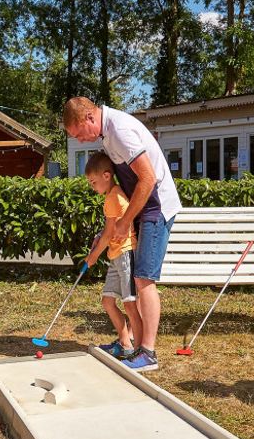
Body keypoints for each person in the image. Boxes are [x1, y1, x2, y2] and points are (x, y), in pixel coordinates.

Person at [64, 97, 182, 372]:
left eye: (79, 133)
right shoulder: (107, 135)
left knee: (143, 279)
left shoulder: (119, 130)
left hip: (156, 207)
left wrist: (125, 221)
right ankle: (131, 345)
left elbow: (148, 179)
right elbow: (123, 189)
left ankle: (148, 353)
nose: (81, 141)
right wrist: (111, 227)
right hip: (143, 208)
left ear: (90, 118)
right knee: (138, 280)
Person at [83, 151, 143, 360]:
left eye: (93, 182)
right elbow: (109, 230)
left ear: (106, 176)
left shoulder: (113, 197)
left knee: (129, 303)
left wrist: (92, 257)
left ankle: (139, 350)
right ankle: (125, 342)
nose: (92, 187)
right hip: (115, 255)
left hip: (125, 253)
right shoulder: (112, 195)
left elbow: (110, 234)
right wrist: (100, 238)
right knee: (108, 301)